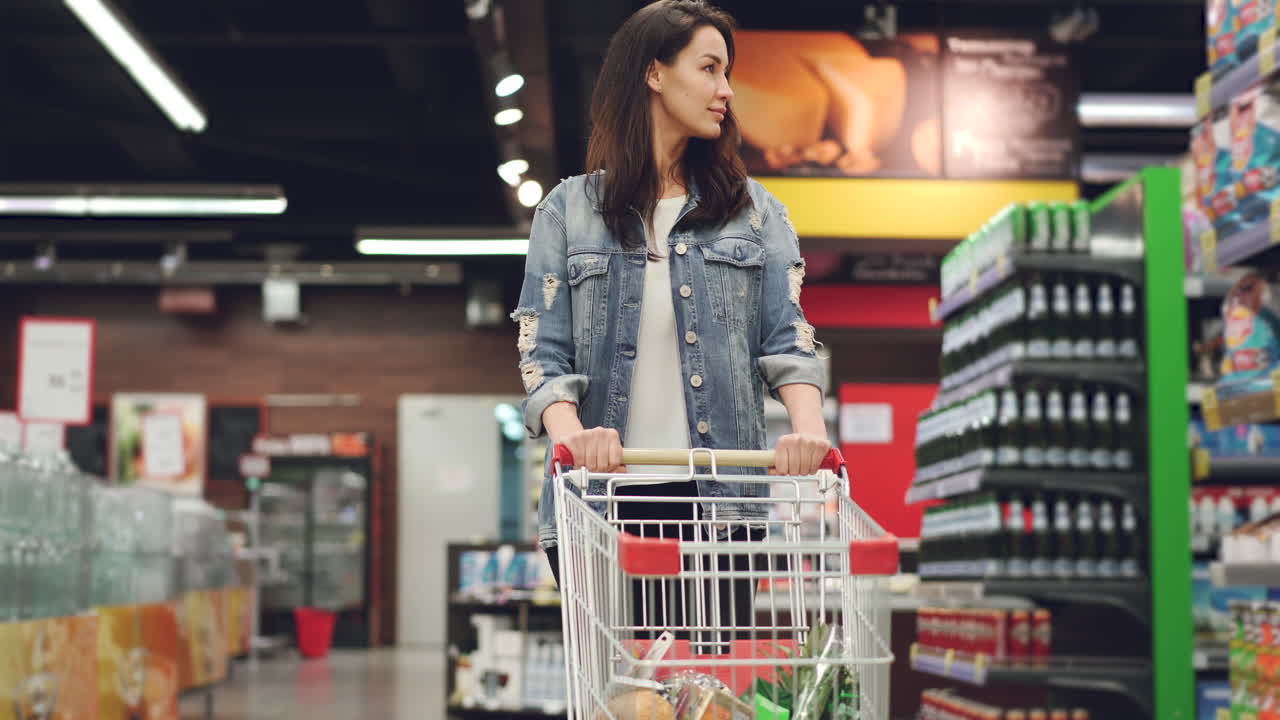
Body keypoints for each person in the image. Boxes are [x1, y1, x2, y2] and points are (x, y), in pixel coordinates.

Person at [512, 0, 830, 633]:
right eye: (709, 69)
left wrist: (809, 428)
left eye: (727, 73)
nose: (726, 90)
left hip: (722, 505)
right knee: (620, 694)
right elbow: (542, 353)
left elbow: (785, 338)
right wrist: (572, 431)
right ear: (654, 74)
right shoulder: (567, 212)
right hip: (601, 507)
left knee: (708, 693)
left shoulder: (755, 212)